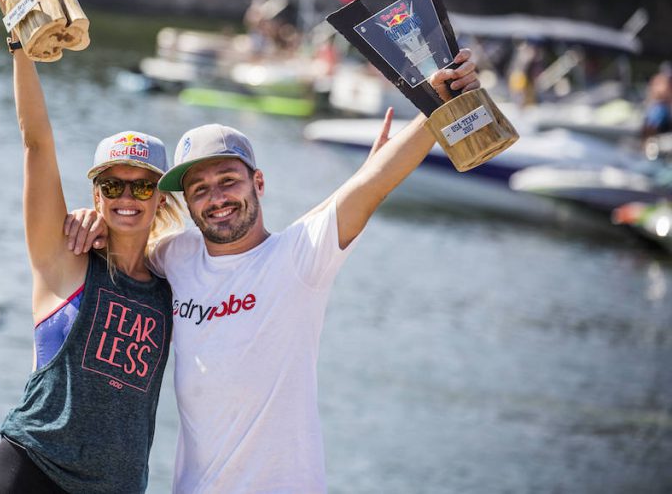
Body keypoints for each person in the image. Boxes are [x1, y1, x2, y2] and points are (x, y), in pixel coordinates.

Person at [66, 50, 482, 492]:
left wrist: (440, 104)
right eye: (200, 189)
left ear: (258, 183)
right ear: (187, 204)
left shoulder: (300, 257)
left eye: (229, 180)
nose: (216, 198)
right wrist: (90, 219)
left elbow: (375, 185)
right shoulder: (175, 256)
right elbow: (124, 239)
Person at [0, 0, 183, 494]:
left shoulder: (176, 286)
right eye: (112, 186)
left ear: (160, 196)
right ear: (96, 193)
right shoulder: (64, 256)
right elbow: (37, 143)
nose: (126, 198)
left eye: (142, 186)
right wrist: (19, 40)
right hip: (33, 469)